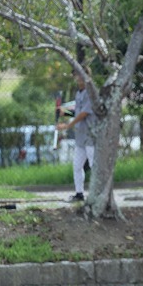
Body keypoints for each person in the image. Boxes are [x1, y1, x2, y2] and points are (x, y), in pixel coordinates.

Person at [57, 68, 95, 203]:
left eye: (80, 75)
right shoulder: (79, 93)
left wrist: (68, 125)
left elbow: (84, 113)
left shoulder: (91, 92)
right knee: (77, 166)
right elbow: (78, 111)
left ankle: (97, 193)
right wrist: (65, 113)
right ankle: (79, 194)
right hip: (80, 137)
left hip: (90, 135)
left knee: (94, 165)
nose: (78, 78)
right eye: (76, 76)